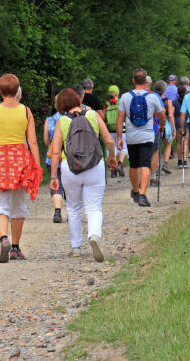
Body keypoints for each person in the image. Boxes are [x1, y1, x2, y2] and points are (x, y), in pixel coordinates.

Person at [0, 74, 43, 263]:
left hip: (0, 158)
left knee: (0, 204)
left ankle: (3, 238)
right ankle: (15, 248)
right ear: (17, 90)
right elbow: (32, 141)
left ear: (0, 91)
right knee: (18, 205)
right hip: (21, 159)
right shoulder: (26, 111)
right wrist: (36, 165)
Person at [48, 88, 119, 260]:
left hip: (70, 168)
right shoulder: (93, 115)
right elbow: (109, 140)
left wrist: (53, 177)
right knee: (94, 207)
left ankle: (76, 247)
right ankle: (94, 236)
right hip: (94, 166)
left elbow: (55, 152)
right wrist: (111, 156)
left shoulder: (62, 121)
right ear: (78, 100)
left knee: (73, 207)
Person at [115, 69, 164, 207]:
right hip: (147, 136)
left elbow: (120, 119)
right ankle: (142, 195)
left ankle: (135, 191)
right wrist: (162, 125)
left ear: (133, 81)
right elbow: (161, 115)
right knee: (145, 165)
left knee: (133, 165)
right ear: (146, 81)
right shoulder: (153, 97)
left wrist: (119, 137)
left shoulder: (125, 97)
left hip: (131, 137)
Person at [43, 102, 66, 223]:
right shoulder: (71, 118)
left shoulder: (49, 119)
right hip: (68, 157)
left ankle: (58, 211)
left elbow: (46, 140)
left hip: (52, 158)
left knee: (56, 185)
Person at [152, 80, 175, 176]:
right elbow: (170, 115)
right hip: (167, 125)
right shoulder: (168, 101)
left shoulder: (153, 98)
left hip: (156, 125)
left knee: (156, 148)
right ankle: (165, 164)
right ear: (164, 90)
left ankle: (156, 167)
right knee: (168, 144)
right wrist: (174, 128)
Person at [104, 85, 126, 177]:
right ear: (117, 93)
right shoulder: (121, 102)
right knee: (123, 147)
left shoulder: (106, 104)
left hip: (110, 129)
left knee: (111, 149)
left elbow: (104, 117)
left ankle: (113, 170)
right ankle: (120, 164)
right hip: (122, 128)